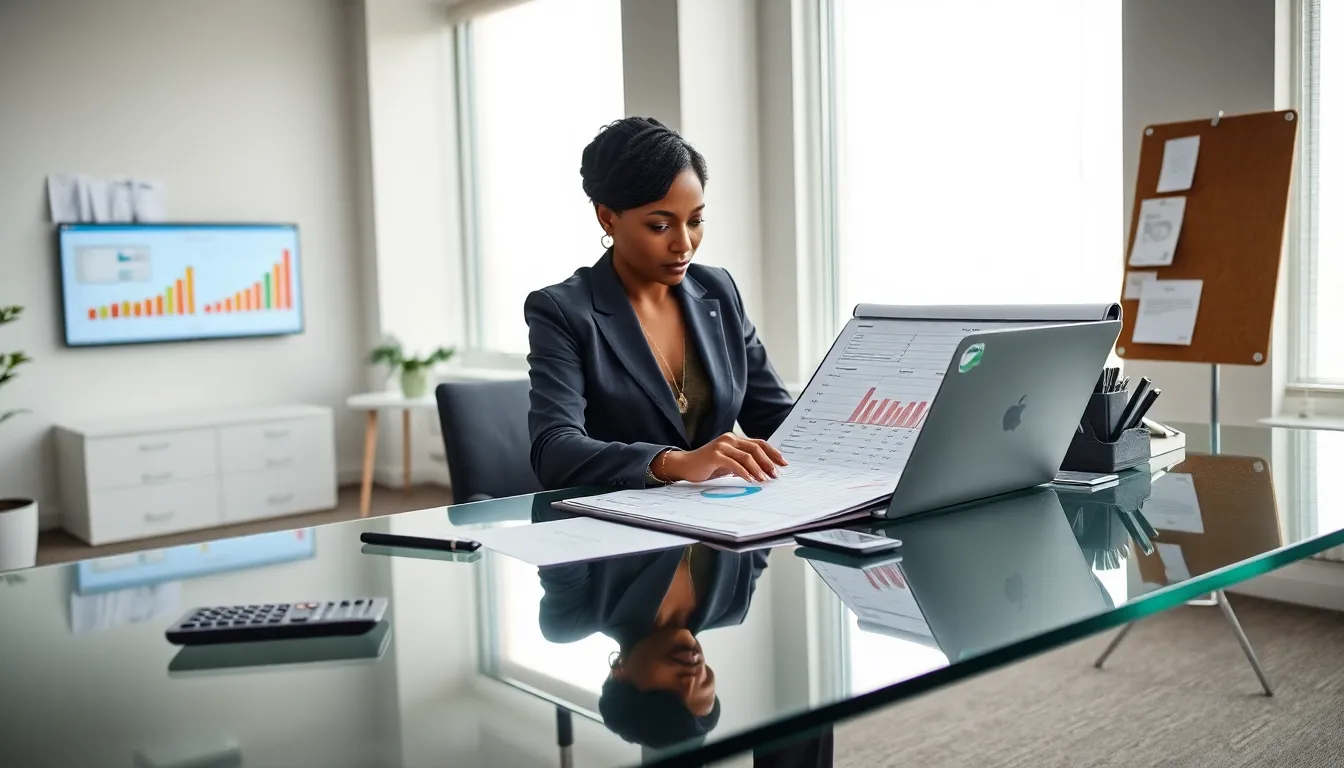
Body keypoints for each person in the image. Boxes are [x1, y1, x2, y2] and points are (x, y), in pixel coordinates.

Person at [525, 116, 795, 491]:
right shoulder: (564, 311)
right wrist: (677, 463)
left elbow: (778, 420)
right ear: (608, 218)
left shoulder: (718, 289)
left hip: (724, 526)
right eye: (660, 226)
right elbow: (554, 451)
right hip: (619, 532)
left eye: (696, 220)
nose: (684, 244)